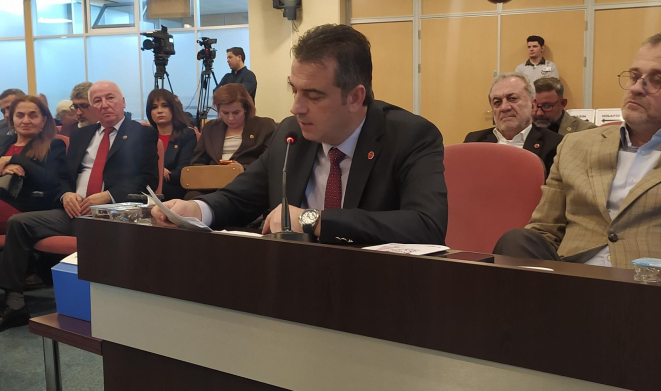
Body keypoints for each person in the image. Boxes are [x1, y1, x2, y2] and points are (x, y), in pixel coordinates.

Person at [153, 24, 448, 245]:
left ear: (355, 97)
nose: (296, 107)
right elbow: (239, 198)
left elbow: (426, 225)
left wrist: (314, 219)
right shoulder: (291, 134)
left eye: (314, 95)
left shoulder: (410, 136)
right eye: (294, 90)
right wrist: (196, 209)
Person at [494, 31, 661, 268]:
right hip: (573, 280)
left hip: (657, 288)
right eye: (635, 76)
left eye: (657, 80)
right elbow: (545, 231)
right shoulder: (576, 145)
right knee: (517, 241)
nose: (636, 88)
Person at [0, 81, 158, 331]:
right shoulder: (82, 135)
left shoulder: (142, 133)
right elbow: (64, 176)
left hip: (113, 211)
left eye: (110, 98)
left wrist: (108, 196)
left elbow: (148, 179)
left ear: (123, 102)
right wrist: (66, 195)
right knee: (18, 223)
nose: (104, 105)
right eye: (97, 101)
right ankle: (15, 304)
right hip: (74, 209)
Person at [186, 84, 275, 199]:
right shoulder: (210, 128)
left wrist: (242, 169)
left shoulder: (264, 126)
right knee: (192, 197)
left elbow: (270, 162)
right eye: (225, 113)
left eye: (236, 112)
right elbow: (197, 161)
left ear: (246, 109)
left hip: (247, 183)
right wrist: (213, 173)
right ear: (218, 110)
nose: (231, 118)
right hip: (212, 185)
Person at [464, 73, 562, 175]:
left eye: (513, 98)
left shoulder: (555, 145)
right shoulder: (474, 141)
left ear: (533, 105)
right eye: (497, 102)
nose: (504, 107)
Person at [0, 95, 66, 232]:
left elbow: (52, 182)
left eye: (32, 115)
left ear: (44, 120)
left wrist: (14, 159)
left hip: (26, 210)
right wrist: (3, 170)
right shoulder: (3, 143)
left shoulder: (53, 145)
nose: (26, 121)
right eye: (20, 115)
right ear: (12, 119)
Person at [146, 89, 198, 201]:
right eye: (154, 107)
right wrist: (158, 170)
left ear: (173, 108)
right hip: (147, 185)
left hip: (174, 188)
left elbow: (183, 172)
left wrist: (158, 172)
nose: (160, 111)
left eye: (165, 106)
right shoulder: (146, 135)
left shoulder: (187, 135)